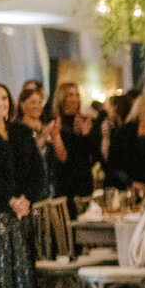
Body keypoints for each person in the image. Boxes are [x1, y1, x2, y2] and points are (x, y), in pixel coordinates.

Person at [0, 82, 41, 288]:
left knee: (20, 265)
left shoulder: (20, 132)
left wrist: (25, 198)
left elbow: (33, 169)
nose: (0, 103)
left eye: (3, 98)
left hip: (20, 209)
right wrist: (7, 200)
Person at [50, 81, 99, 212]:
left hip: (84, 181)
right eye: (70, 95)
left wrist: (86, 135)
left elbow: (95, 155)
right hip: (65, 183)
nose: (75, 99)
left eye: (77, 95)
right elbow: (63, 159)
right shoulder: (55, 123)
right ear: (61, 98)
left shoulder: (85, 121)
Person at [107, 93, 145, 192]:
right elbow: (113, 165)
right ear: (142, 108)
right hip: (126, 189)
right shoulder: (124, 133)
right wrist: (131, 183)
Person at [13, 85, 65, 203]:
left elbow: (62, 157)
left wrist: (56, 135)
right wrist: (42, 138)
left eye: (40, 102)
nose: (37, 105)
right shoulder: (18, 129)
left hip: (51, 188)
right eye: (32, 102)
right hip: (30, 190)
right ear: (22, 105)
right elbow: (23, 158)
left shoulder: (46, 126)